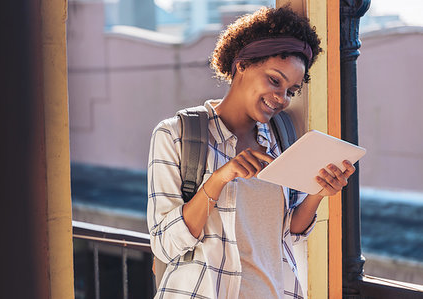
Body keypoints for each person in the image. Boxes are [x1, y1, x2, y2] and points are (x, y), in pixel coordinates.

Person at [147, 6, 355, 299]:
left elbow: (287, 232)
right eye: (274, 80)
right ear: (242, 65)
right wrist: (219, 179)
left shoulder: (281, 136)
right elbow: (164, 244)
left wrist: (319, 193)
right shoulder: (176, 134)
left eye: (291, 91)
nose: (281, 98)